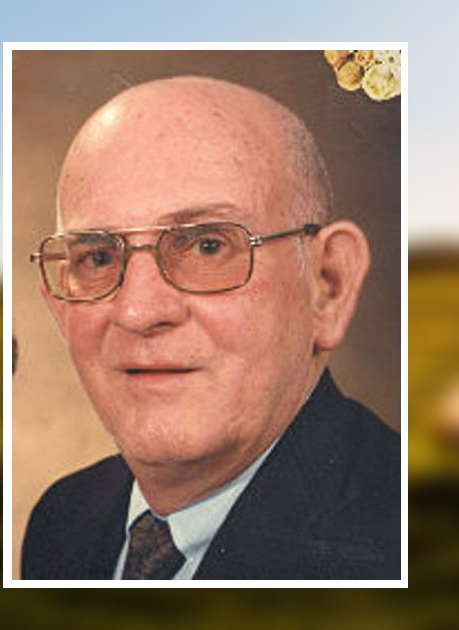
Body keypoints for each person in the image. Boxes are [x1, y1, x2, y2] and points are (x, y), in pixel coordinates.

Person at [21, 76, 399, 579]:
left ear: (328, 286)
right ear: (59, 308)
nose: (138, 311)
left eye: (207, 246)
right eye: (98, 257)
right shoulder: (63, 520)